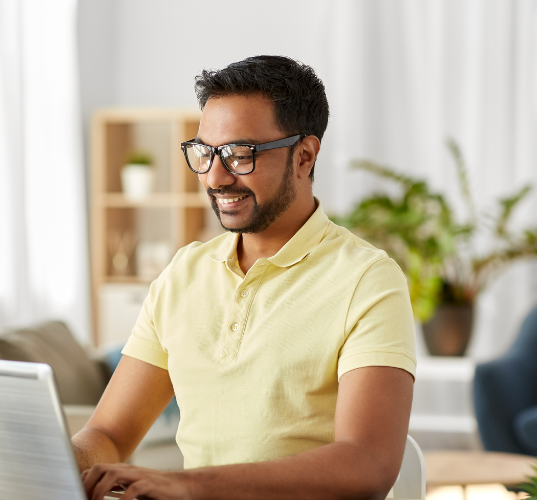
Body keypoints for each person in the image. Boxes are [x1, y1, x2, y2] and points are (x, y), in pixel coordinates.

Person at [72, 55, 416, 500]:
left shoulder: (367, 280)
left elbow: (367, 463)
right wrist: (59, 460)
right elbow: (109, 433)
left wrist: (186, 485)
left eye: (240, 155)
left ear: (304, 156)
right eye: (205, 152)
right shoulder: (183, 273)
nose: (215, 177)